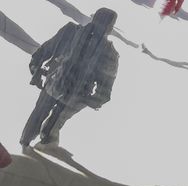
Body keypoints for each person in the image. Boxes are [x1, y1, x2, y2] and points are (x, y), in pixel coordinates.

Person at [21, 8, 119, 150]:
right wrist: (92, 100)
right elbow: (106, 88)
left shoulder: (71, 31)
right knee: (51, 124)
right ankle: (39, 144)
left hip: (55, 84)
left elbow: (44, 50)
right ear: (110, 28)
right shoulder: (109, 52)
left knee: (39, 117)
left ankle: (27, 144)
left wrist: (35, 68)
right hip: (71, 95)